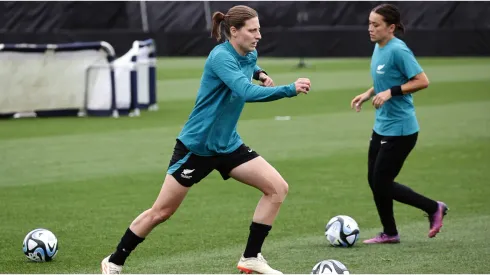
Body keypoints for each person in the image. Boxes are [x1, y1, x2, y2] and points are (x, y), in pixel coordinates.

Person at [101, 5, 311, 274]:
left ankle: (251, 257)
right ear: (234, 31)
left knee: (277, 189)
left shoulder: (248, 52)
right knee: (161, 212)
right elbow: (245, 92)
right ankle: (114, 261)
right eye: (253, 30)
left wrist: (261, 73)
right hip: (197, 147)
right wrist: (289, 89)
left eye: (259, 29)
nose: (259, 35)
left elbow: (250, 63)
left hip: (228, 144)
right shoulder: (220, 57)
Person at [350, 3, 448, 244]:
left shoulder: (398, 50)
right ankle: (390, 233)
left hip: (401, 130)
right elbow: (386, 78)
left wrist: (391, 92)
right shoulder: (379, 47)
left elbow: (422, 81)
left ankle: (434, 207)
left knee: (382, 183)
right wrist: (369, 93)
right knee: (374, 181)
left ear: (391, 27)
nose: (370, 29)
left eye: (376, 25)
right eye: (369, 24)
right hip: (381, 126)